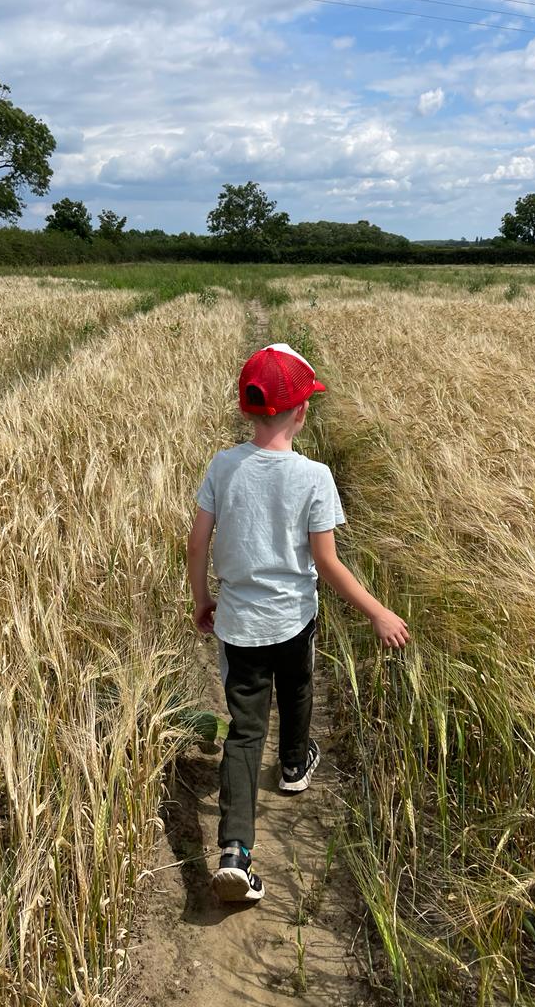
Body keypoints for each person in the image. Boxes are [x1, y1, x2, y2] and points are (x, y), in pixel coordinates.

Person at [186, 342, 409, 903]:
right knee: (300, 686)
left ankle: (235, 852)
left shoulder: (222, 464)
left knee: (243, 731)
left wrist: (202, 599)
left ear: (245, 410)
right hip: (293, 619)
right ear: (303, 411)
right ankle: (292, 765)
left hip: (238, 622)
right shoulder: (314, 476)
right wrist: (378, 611)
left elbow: (197, 540)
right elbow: (327, 561)